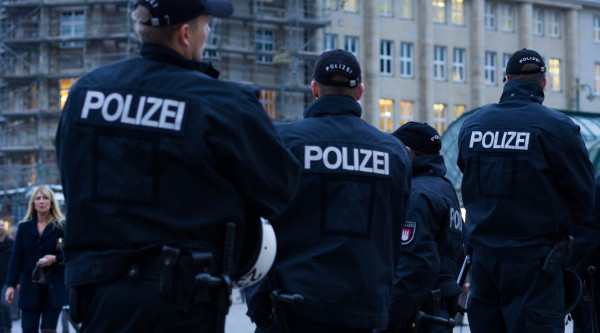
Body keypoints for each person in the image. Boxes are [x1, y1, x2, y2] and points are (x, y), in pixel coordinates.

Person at [54, 0, 301, 332]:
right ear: (186, 34)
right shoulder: (223, 103)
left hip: (99, 299)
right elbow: (279, 190)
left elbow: (72, 177)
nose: (208, 32)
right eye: (206, 25)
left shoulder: (85, 92)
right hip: (183, 301)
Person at [244, 49, 413, 333]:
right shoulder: (393, 152)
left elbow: (254, 223)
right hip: (365, 310)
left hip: (292, 306)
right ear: (359, 92)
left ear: (314, 89)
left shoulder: (283, 140)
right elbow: (395, 228)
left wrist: (257, 302)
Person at [457, 48, 595, 332]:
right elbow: (584, 198)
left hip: (483, 263)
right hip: (536, 264)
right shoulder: (558, 128)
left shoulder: (472, 126)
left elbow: (466, 174)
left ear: (506, 79)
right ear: (543, 83)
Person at [389, 122, 465, 332]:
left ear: (407, 153)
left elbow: (413, 265)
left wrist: (389, 320)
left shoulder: (416, 195)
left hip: (416, 315)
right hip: (438, 313)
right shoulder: (445, 189)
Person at [4, 185, 67, 333]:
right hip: (29, 288)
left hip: (53, 288)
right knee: (28, 329)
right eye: (38, 198)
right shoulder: (24, 228)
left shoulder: (61, 227)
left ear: (51, 202)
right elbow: (16, 258)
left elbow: (70, 254)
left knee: (48, 330)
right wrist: (11, 285)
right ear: (33, 203)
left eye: (45, 198)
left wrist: (55, 259)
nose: (42, 201)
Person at [0, 221, 14, 333]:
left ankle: (7, 328)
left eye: (1, 225)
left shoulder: (11, 243)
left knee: (4, 304)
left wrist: (16, 281)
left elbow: (16, 262)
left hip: (7, 280)